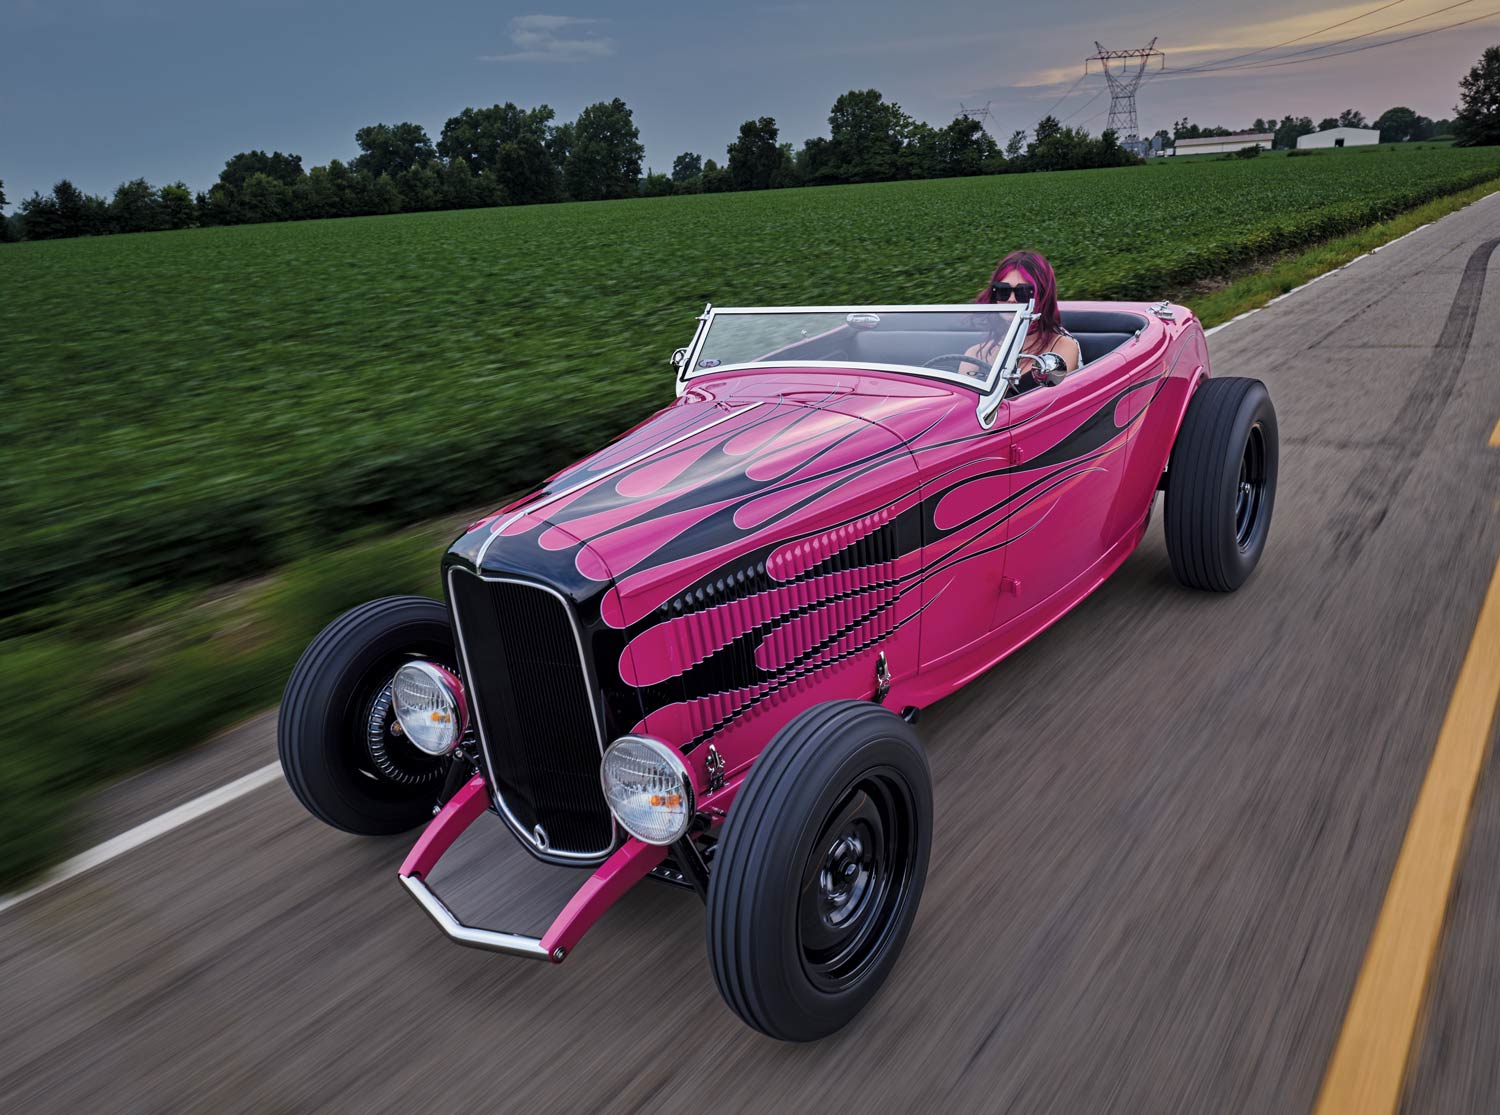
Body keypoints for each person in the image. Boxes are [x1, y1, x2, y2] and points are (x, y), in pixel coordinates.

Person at [962, 250, 1081, 389]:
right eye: (1003, 291)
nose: (1012, 300)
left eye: (1023, 292)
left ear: (1042, 296)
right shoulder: (976, 354)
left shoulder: (1063, 347)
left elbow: (1053, 402)